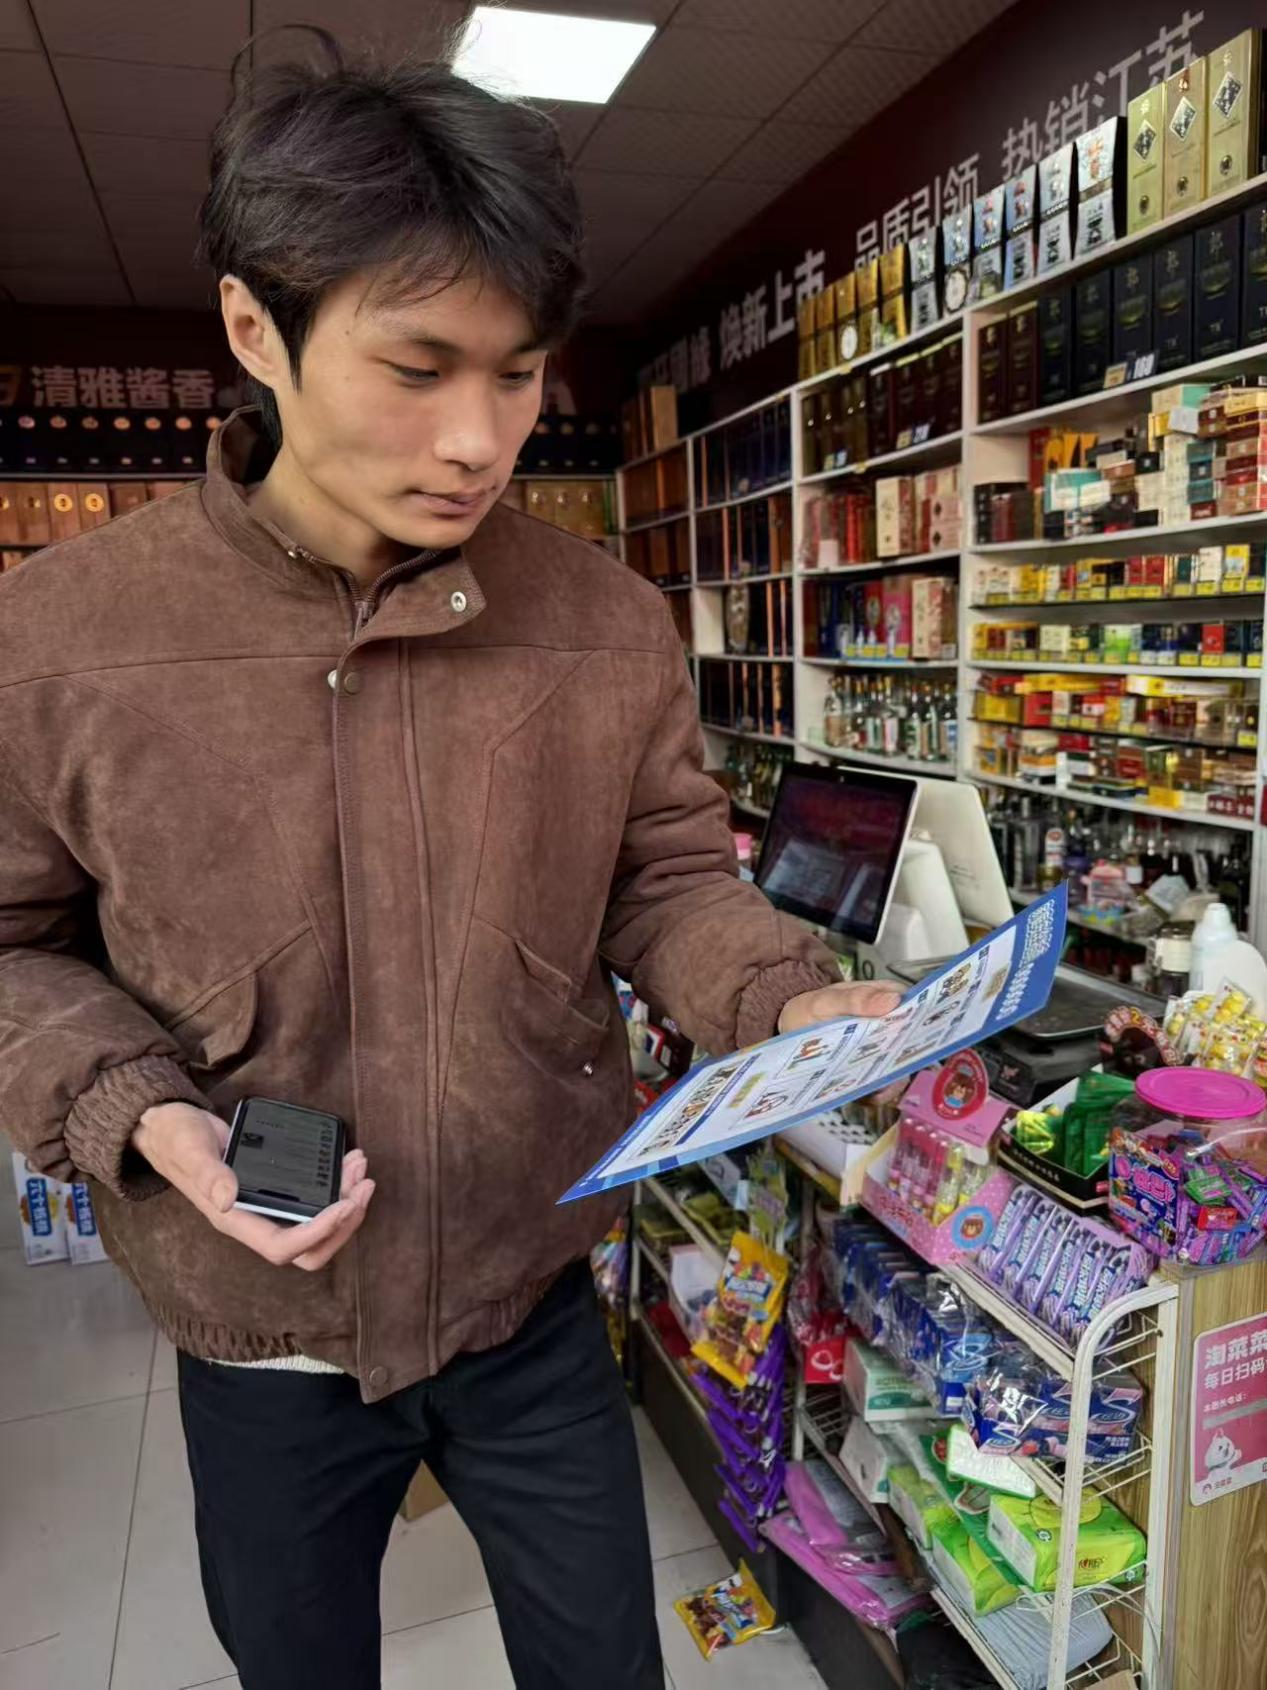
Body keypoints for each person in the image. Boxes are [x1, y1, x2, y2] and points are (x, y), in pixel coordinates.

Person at [0, 33, 900, 1690]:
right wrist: (140, 1109)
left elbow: (665, 877)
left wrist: (784, 998)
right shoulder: (61, 638)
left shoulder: (603, 623)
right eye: (417, 368)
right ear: (255, 330)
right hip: (261, 1327)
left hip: (531, 1291)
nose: (480, 438)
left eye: (519, 372)